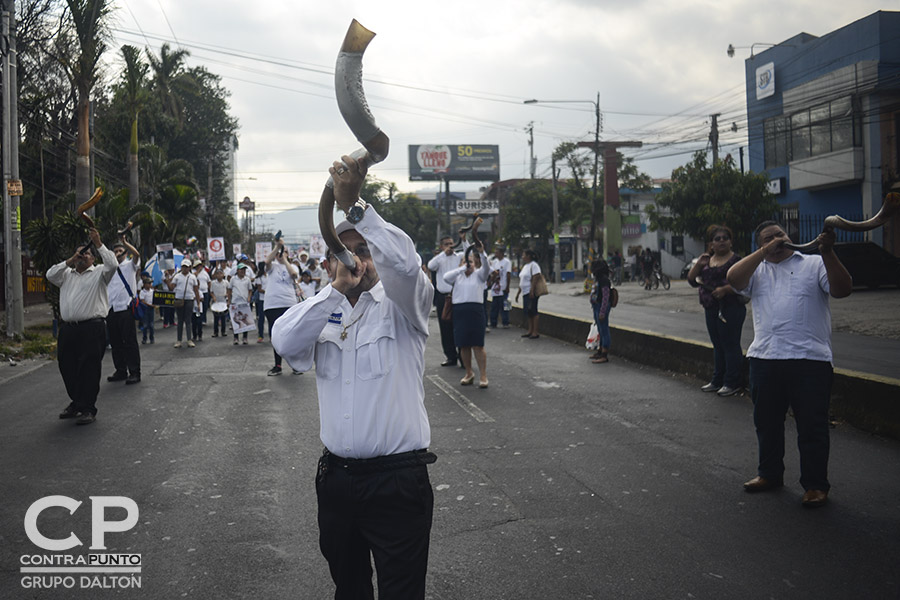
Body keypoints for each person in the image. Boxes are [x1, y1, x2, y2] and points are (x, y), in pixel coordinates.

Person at [272, 154, 436, 599]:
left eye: (364, 250)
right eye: (344, 252)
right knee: (349, 590)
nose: (356, 260)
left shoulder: (406, 307)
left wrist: (358, 208)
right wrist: (336, 291)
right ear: (329, 264)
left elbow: (405, 266)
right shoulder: (324, 310)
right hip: (338, 482)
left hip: (397, 483)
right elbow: (284, 342)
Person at [727, 220, 852, 508]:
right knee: (766, 423)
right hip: (765, 358)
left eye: (779, 234)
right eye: (768, 238)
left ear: (789, 237)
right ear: (761, 245)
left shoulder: (813, 263)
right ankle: (769, 474)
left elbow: (843, 290)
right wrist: (763, 253)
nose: (776, 240)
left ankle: (815, 485)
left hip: (810, 360)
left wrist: (829, 253)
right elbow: (733, 279)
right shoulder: (756, 270)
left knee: (812, 426)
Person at [46, 228, 117, 425]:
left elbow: (113, 264)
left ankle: (88, 408)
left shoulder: (100, 273)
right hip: (69, 328)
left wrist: (98, 243)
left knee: (89, 368)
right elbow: (50, 274)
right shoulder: (66, 275)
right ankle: (77, 402)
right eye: (80, 252)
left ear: (93, 258)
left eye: (86, 252)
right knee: (66, 365)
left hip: (92, 328)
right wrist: (70, 260)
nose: (82, 255)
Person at [688, 225, 746, 397]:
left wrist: (726, 290)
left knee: (730, 345)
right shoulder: (707, 260)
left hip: (731, 308)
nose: (721, 241)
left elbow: (745, 284)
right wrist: (699, 264)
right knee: (718, 345)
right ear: (711, 243)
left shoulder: (737, 261)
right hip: (710, 308)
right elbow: (691, 280)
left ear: (730, 241)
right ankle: (717, 380)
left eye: (725, 238)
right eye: (717, 239)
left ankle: (732, 382)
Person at [444, 243, 492, 388]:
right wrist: (461, 268)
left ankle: (483, 375)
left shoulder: (479, 275)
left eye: (470, 262)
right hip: (460, 310)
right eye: (466, 262)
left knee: (478, 345)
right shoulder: (457, 276)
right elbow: (446, 277)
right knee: (463, 345)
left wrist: (482, 253)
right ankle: (469, 372)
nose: (468, 265)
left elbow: (487, 268)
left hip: (475, 310)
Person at [105, 236, 142, 385]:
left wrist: (126, 243)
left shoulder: (130, 265)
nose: (117, 253)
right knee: (115, 342)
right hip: (111, 309)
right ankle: (120, 370)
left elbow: (137, 255)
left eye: (120, 251)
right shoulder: (109, 268)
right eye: (115, 251)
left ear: (125, 253)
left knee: (130, 342)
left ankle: (134, 372)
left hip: (125, 308)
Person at [427, 234, 466, 367]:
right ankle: (451, 356)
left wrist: (464, 239)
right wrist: (443, 254)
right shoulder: (439, 259)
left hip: (458, 295)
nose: (451, 246)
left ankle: (463, 356)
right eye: (447, 244)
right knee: (445, 327)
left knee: (459, 326)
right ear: (442, 246)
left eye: (452, 243)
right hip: (443, 296)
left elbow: (468, 253)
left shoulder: (459, 257)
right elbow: (431, 266)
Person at [263, 241, 299, 376]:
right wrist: (277, 247)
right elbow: (267, 261)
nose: (279, 255)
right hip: (272, 305)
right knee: (275, 336)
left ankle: (295, 364)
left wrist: (285, 261)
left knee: (291, 335)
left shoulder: (293, 266)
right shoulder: (272, 268)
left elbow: (294, 275)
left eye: (283, 253)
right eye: (278, 254)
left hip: (289, 304)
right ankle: (277, 365)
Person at [167, 258, 200, 348]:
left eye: (186, 267)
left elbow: (196, 291)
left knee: (188, 320)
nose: (184, 269)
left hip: (189, 299)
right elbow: (171, 288)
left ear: (189, 267)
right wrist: (167, 279)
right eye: (183, 267)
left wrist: (198, 303)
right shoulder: (177, 276)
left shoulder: (193, 277)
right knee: (180, 320)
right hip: (179, 300)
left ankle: (189, 339)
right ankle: (179, 340)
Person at [589, 259, 613, 364]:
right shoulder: (598, 279)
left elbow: (606, 297)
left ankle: (604, 354)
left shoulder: (604, 280)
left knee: (604, 330)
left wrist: (602, 311)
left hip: (601, 307)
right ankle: (600, 350)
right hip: (596, 306)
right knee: (600, 329)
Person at [515, 249, 542, 339]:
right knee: (528, 312)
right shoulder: (525, 266)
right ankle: (530, 330)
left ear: (528, 256)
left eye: (524, 255)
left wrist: (532, 289)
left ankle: (535, 331)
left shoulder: (534, 265)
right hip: (525, 291)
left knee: (533, 310)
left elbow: (536, 276)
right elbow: (522, 281)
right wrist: (518, 293)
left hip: (531, 292)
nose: (522, 257)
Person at [227, 263, 254, 345]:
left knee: (245, 320)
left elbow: (250, 290)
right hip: (235, 301)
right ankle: (236, 338)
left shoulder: (247, 279)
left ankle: (245, 337)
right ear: (237, 270)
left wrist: (249, 298)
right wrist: (229, 300)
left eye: (244, 270)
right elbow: (229, 290)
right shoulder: (233, 279)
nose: (243, 271)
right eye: (241, 270)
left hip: (244, 302)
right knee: (236, 320)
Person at [488, 245, 512, 329]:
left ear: (501, 253)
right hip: (495, 288)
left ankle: (506, 322)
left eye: (497, 252)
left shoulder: (507, 262)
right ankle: (493, 322)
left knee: (505, 305)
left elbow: (508, 274)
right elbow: (492, 273)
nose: (495, 254)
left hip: (503, 286)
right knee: (494, 306)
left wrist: (508, 286)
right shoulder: (494, 262)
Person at [192, 259, 210, 342]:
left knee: (205, 306)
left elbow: (208, 281)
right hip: (195, 294)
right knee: (194, 321)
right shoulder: (193, 273)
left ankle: (203, 319)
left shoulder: (205, 272)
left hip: (204, 291)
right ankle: (194, 334)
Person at [209, 269, 229, 337]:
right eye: (218, 274)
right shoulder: (213, 283)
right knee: (216, 317)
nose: (219, 275)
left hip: (223, 301)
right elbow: (211, 292)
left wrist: (227, 294)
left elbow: (229, 290)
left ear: (223, 275)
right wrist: (213, 297)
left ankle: (223, 331)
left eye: (221, 273)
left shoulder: (226, 282)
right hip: (216, 301)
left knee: (223, 317)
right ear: (215, 275)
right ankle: (215, 332)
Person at [139, 277, 156, 344]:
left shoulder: (152, 291)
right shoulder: (142, 292)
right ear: (144, 284)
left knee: (151, 324)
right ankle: (144, 338)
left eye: (150, 283)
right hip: (145, 308)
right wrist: (150, 305)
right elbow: (142, 301)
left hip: (151, 309)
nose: (149, 285)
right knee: (145, 324)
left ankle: (152, 338)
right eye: (148, 283)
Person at [254, 261, 267, 343]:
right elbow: (259, 289)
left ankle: (272, 335)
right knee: (261, 319)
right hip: (262, 300)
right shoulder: (259, 277)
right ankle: (260, 335)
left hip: (270, 299)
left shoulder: (270, 275)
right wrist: (268, 291)